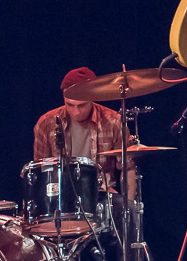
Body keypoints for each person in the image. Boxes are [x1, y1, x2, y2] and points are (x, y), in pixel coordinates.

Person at [33, 67, 137, 199]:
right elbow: (40, 171)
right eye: (70, 105)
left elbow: (128, 167)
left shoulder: (113, 121)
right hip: (61, 197)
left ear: (92, 98)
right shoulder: (46, 123)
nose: (75, 112)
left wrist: (129, 206)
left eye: (81, 105)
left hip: (101, 196)